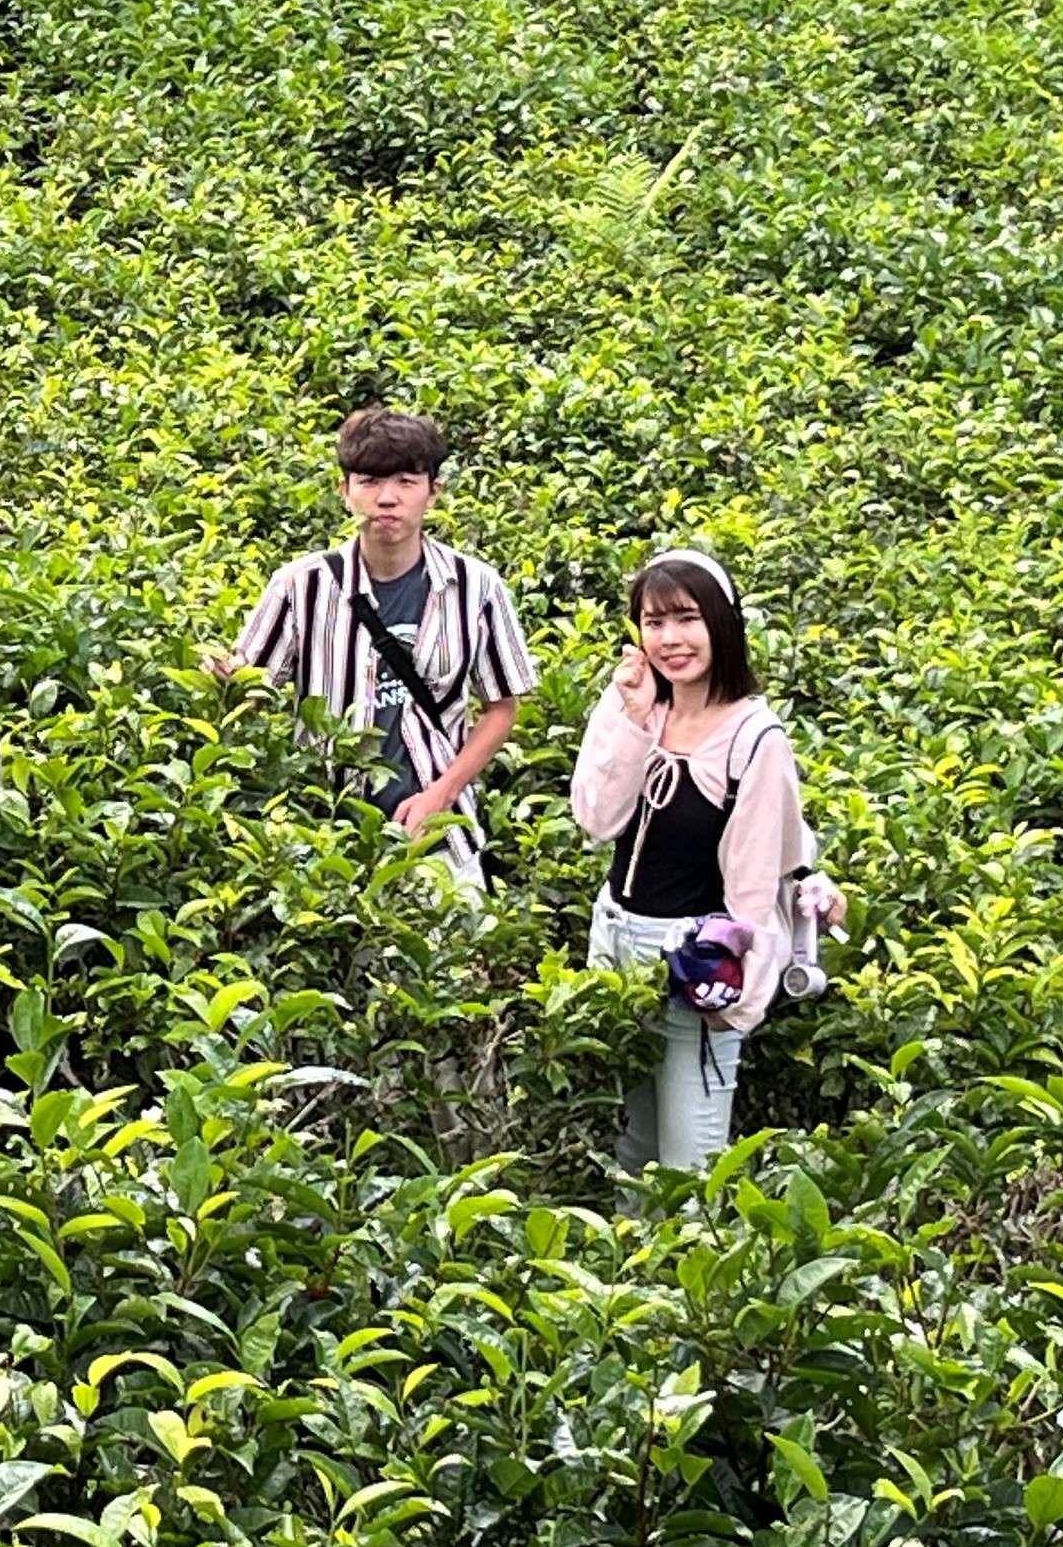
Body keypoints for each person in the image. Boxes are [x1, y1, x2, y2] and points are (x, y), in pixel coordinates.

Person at [212, 406, 536, 892]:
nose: (387, 499)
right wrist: (226, 681)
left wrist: (441, 795)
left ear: (433, 491)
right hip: (326, 832)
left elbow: (501, 707)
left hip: (435, 834)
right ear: (345, 491)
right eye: (369, 482)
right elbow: (251, 695)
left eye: (406, 481)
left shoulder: (476, 586)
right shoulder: (301, 586)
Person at [570, 549, 811, 1174]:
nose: (669, 640)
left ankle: (687, 1273)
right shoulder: (638, 702)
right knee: (630, 1154)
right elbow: (596, 818)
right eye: (653, 622)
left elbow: (755, 886)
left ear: (723, 625)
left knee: (688, 1166)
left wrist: (737, 1002)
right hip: (616, 946)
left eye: (686, 618)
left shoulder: (755, 739)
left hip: (693, 964)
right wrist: (630, 718)